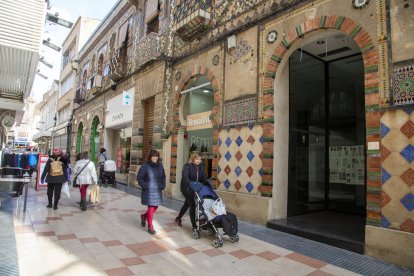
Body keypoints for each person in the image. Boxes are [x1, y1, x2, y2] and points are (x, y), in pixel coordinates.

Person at [175, 152, 211, 236]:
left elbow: (203, 177)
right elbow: (185, 177)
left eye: (200, 159)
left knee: (187, 204)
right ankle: (194, 226)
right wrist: (192, 184)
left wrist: (208, 183)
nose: (199, 161)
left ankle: (178, 218)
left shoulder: (201, 167)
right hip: (186, 188)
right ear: (192, 159)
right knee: (192, 204)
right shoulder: (187, 166)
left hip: (196, 188)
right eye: (197, 159)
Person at [136, 149, 166, 235]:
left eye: (156, 156)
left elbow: (163, 177)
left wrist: (162, 185)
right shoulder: (145, 166)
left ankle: (144, 216)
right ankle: (150, 226)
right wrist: (146, 186)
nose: (155, 158)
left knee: (155, 207)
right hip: (149, 191)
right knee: (151, 207)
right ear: (150, 157)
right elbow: (139, 178)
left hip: (157, 190)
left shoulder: (160, 166)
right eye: (153, 156)